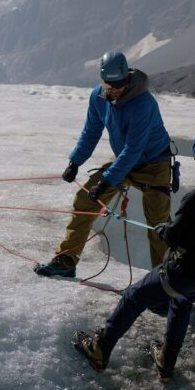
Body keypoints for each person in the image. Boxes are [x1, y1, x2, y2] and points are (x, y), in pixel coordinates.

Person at [73, 127, 195, 383]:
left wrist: (164, 229)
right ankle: (166, 361)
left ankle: (100, 349)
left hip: (190, 270)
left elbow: (175, 237)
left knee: (134, 296)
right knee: (181, 301)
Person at [34, 50, 173, 278]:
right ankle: (67, 259)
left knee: (158, 226)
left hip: (153, 165)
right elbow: (91, 131)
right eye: (110, 86)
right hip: (122, 160)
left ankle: (163, 282)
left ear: (128, 79)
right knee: (84, 200)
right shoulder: (99, 96)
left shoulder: (143, 103)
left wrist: (107, 182)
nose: (115, 91)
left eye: (119, 85)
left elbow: (133, 149)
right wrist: (75, 161)